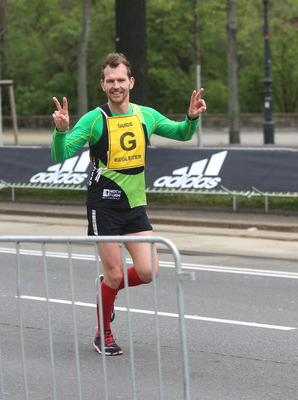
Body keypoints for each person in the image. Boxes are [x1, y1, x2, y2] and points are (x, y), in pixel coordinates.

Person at [51, 52, 206, 356]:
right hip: (103, 206)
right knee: (116, 272)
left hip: (135, 205)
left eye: (121, 79)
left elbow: (182, 134)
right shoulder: (94, 119)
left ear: (131, 82)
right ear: (103, 84)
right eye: (110, 81)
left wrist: (191, 117)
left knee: (148, 272)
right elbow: (60, 154)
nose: (116, 85)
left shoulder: (144, 115)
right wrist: (61, 130)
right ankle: (103, 333)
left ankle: (106, 289)